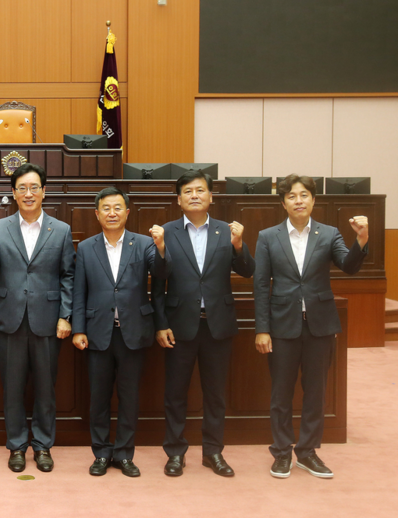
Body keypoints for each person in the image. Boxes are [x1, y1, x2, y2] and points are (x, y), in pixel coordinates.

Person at [254, 174, 368, 479]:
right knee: (281, 393)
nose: (298, 201)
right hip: (282, 326)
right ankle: (281, 452)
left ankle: (307, 452)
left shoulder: (329, 233)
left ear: (313, 200)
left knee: (316, 392)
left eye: (304, 195)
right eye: (291, 196)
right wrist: (262, 329)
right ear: (283, 203)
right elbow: (261, 285)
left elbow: (349, 266)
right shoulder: (268, 236)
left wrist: (361, 240)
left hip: (320, 325)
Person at [153, 170, 255, 477]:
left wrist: (239, 245)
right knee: (175, 394)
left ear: (211, 196)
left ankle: (213, 452)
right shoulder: (166, 232)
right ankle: (175, 452)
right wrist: (160, 323)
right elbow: (157, 282)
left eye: (200, 190)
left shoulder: (227, 230)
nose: (194, 195)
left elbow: (248, 270)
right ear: (178, 199)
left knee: (215, 394)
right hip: (178, 325)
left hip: (217, 325)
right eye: (188, 191)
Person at [0, 163, 75, 473]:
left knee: (46, 388)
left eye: (34, 187)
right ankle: (17, 446)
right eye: (22, 188)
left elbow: (68, 276)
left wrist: (66, 315)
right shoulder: (0, 227)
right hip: (11, 318)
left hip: (48, 319)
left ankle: (43, 446)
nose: (28, 193)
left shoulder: (61, 229)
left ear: (44, 191)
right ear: (13, 193)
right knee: (13, 388)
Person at [72, 187, 169, 477]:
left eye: (117, 208)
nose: (112, 213)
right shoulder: (86, 247)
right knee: (98, 398)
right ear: (97, 214)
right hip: (97, 333)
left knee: (129, 397)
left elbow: (161, 273)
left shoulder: (145, 243)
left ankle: (125, 454)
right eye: (106, 208)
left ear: (127, 213)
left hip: (134, 332)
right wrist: (78, 329)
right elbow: (79, 292)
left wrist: (162, 248)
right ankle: (101, 453)